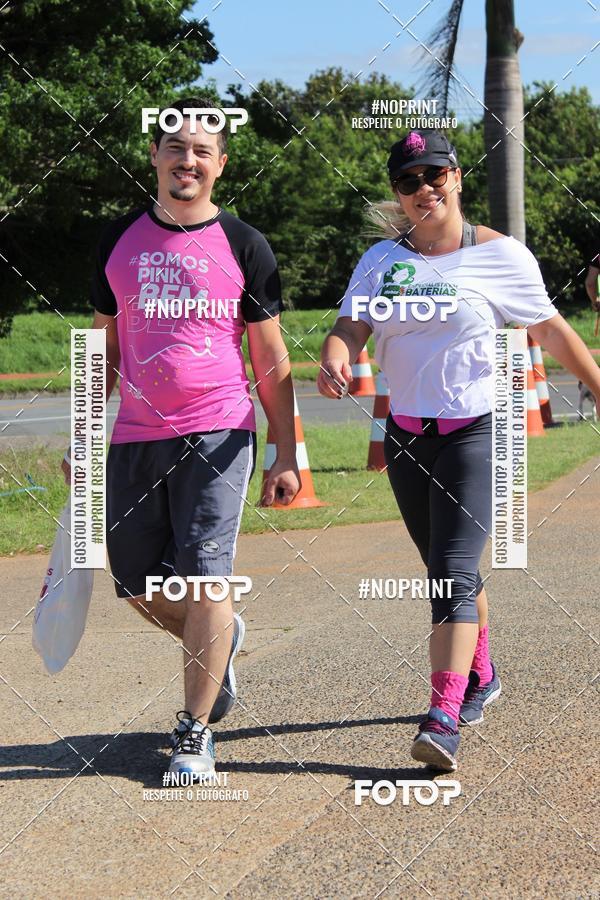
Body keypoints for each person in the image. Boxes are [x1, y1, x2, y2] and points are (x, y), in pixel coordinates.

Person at [318, 130, 600, 772]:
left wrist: (596, 385)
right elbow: (352, 323)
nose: (424, 189)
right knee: (446, 571)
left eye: (434, 173)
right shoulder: (381, 259)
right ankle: (483, 672)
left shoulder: (502, 257)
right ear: (398, 192)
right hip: (408, 436)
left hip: (477, 429)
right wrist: (339, 353)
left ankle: (443, 715)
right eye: (409, 180)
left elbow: (549, 326)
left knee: (450, 569)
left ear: (457, 177)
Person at [62, 97, 300, 779]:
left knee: (204, 576)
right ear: (155, 158)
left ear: (220, 165)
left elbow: (271, 357)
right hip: (136, 435)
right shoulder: (117, 240)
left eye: (201, 151)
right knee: (133, 582)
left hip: (218, 430)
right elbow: (102, 346)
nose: (187, 160)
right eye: (176, 148)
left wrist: (287, 453)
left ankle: (194, 732)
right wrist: (83, 432)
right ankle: (220, 637)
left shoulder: (244, 245)